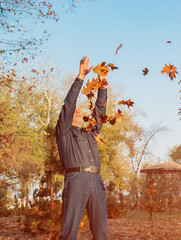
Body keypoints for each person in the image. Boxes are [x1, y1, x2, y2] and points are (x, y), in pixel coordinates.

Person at [56, 56, 108, 240]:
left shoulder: (90, 132)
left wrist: (103, 86)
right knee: (69, 232)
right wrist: (80, 77)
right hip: (75, 179)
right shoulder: (64, 132)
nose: (77, 111)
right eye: (74, 112)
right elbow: (69, 104)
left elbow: (100, 113)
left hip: (96, 180)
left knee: (101, 232)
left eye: (79, 110)